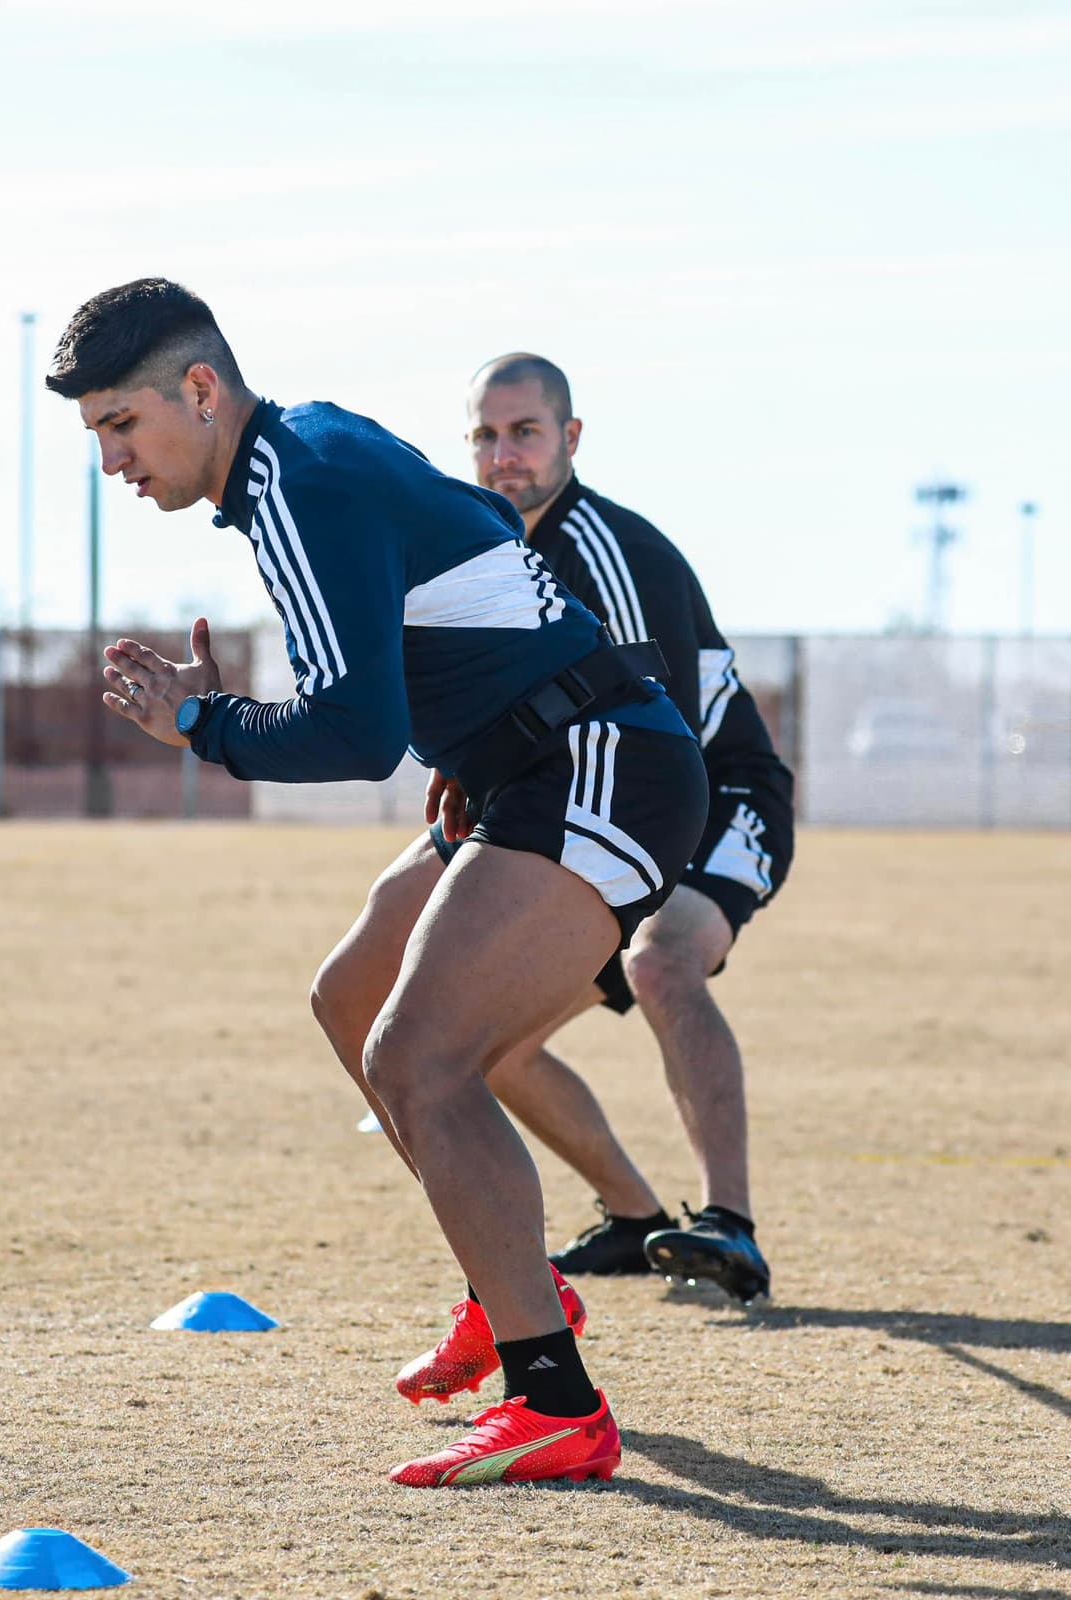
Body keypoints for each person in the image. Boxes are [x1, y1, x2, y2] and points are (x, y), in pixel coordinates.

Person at [45, 280, 708, 1488]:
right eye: (96, 434)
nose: (111, 462)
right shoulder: (302, 453)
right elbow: (477, 532)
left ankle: (553, 1400)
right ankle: (513, 1284)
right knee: (348, 996)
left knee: (419, 1058)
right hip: (531, 763)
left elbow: (356, 733)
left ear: (201, 389)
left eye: (121, 425)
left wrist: (201, 722)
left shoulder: (301, 481)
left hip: (598, 763)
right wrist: (476, 725)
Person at [315, 352, 792, 1421]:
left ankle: (729, 1224)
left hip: (706, 800)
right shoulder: (476, 538)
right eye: (484, 436)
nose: (502, 456)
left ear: (570, 438)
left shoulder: (606, 548)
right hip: (551, 796)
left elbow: (646, 731)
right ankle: (627, 1220)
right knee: (450, 1026)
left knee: (659, 958)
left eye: (524, 432)